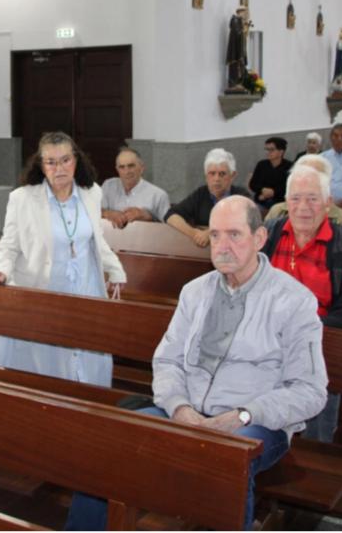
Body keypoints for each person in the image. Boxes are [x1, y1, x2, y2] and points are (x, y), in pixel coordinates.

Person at [65, 196, 326, 531]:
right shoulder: (195, 292)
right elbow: (167, 360)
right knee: (109, 446)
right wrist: (179, 407)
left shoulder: (293, 301)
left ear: (259, 238)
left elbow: (310, 390)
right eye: (215, 235)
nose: (222, 246)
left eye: (234, 234)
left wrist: (243, 414)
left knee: (224, 462)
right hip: (184, 411)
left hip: (255, 422)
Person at [0, 132, 126, 387]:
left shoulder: (91, 192)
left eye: (65, 160)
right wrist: (1, 270)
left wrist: (116, 270)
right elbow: (9, 245)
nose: (59, 168)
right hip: (42, 290)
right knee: (45, 370)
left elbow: (96, 238)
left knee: (86, 360)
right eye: (51, 162)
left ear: (76, 160)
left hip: (84, 288)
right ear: (41, 164)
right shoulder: (22, 198)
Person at [263, 165, 342, 442]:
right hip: (265, 342)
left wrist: (298, 330)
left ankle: (316, 448)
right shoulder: (268, 235)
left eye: (312, 199)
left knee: (315, 404)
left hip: (320, 345)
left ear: (327, 203)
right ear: (286, 202)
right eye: (296, 198)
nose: (303, 208)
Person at [165, 148, 252, 247]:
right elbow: (171, 215)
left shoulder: (241, 196)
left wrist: (211, 232)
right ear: (206, 176)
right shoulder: (200, 194)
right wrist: (194, 234)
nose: (216, 179)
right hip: (203, 250)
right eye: (212, 173)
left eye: (222, 174)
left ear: (232, 176)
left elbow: (241, 221)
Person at [264, 155, 342, 231]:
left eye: (316, 176)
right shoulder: (278, 211)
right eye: (303, 174)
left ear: (328, 182)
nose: (308, 181)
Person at [100, 147, 170, 227]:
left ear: (142, 168)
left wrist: (149, 217)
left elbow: (169, 229)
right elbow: (93, 212)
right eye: (122, 167)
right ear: (117, 170)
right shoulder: (108, 186)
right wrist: (108, 213)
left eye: (131, 166)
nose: (126, 172)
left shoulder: (159, 195)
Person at [248, 137, 293, 211]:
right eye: (266, 149)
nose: (268, 152)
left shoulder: (290, 166)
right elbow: (253, 184)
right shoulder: (261, 164)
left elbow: (289, 186)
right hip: (261, 202)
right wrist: (262, 189)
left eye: (271, 150)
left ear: (281, 152)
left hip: (281, 203)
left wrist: (273, 192)